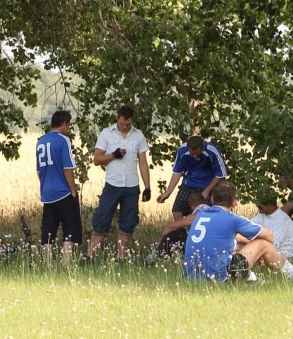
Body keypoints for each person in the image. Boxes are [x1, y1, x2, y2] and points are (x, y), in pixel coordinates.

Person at [182, 181, 293, 283]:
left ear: (212, 199)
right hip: (218, 278)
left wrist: (245, 243)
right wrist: (258, 251)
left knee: (236, 243)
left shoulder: (200, 215)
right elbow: (269, 236)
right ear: (234, 202)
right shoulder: (232, 219)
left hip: (190, 276)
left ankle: (253, 280)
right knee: (263, 244)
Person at [87, 105, 150, 259]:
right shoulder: (106, 133)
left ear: (132, 121)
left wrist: (147, 186)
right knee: (102, 220)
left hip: (131, 186)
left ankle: (121, 258)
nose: (125, 127)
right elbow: (97, 159)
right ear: (117, 119)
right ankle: (90, 256)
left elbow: (143, 162)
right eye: (122, 123)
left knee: (128, 224)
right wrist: (113, 155)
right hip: (113, 185)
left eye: (128, 124)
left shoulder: (138, 135)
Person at [36, 110, 81, 267]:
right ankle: (65, 264)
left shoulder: (41, 142)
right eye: (68, 125)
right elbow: (67, 168)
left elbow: (39, 171)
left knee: (48, 229)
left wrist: (45, 186)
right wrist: (73, 190)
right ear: (64, 124)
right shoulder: (63, 140)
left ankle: (48, 264)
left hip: (47, 193)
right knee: (70, 227)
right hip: (62, 192)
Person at [156, 136, 228, 219]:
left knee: (206, 213)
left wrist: (206, 192)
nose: (194, 156)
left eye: (197, 154)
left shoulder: (212, 151)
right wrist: (168, 193)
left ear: (202, 148)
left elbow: (221, 175)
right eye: (192, 154)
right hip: (189, 183)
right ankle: (182, 227)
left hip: (208, 185)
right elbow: (177, 172)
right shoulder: (182, 151)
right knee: (177, 210)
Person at [149, 190, 206, 262]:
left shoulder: (197, 214)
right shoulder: (213, 212)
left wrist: (159, 241)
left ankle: (158, 256)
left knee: (178, 232)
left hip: (195, 246)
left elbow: (171, 226)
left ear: (191, 205)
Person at [252, 188, 293, 262]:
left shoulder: (282, 219)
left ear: (270, 204)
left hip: (284, 256)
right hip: (268, 252)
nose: (257, 205)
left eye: (260, 204)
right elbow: (247, 227)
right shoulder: (262, 216)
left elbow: (275, 244)